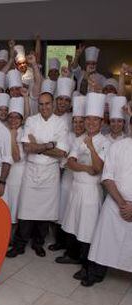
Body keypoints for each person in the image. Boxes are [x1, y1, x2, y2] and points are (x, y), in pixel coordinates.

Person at [7, 92, 69, 258]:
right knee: (25, 211)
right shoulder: (31, 120)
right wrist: (49, 145)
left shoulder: (61, 123)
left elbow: (61, 152)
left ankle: (38, 243)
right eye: (41, 104)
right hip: (32, 170)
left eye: (47, 103)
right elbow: (27, 148)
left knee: (45, 213)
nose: (44, 107)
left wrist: (38, 146)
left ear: (53, 103)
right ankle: (19, 245)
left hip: (50, 173)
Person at [58, 93, 110, 273]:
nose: (90, 123)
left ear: (101, 122)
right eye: (88, 119)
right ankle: (73, 256)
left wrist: (91, 147)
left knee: (87, 228)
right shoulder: (78, 139)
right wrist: (85, 168)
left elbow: (97, 168)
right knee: (73, 224)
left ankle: (88, 265)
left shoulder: (105, 142)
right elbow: (70, 163)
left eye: (95, 120)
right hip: (76, 187)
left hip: (91, 191)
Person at [86, 132, 132, 287]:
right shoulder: (117, 147)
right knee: (104, 241)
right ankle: (96, 273)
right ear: (130, 126)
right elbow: (107, 177)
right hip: (114, 204)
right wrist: (122, 204)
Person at [50, 95, 87, 252]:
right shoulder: (68, 135)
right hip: (67, 178)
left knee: (76, 213)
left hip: (82, 181)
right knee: (62, 209)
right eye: (75, 121)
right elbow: (61, 157)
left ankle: (73, 246)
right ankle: (60, 241)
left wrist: (68, 159)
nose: (77, 124)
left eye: (80, 121)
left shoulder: (88, 138)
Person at [6, 97, 26, 227]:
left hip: (18, 175)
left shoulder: (24, 133)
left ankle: (11, 237)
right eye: (11, 117)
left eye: (17, 117)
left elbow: (17, 157)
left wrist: (13, 138)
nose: (13, 120)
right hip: (5, 174)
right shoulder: (4, 131)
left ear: (22, 120)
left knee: (15, 206)